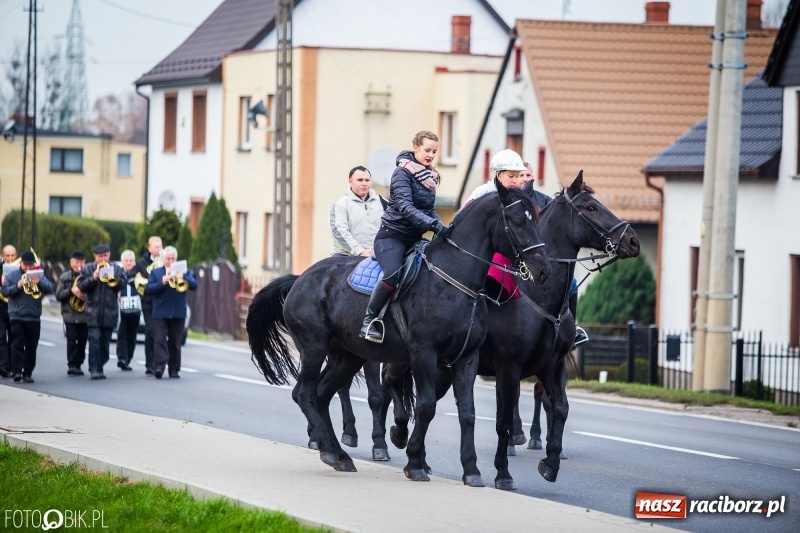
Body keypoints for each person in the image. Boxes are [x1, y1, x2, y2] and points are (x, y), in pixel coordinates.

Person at [360, 130, 446, 343]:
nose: (430, 155)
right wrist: (433, 225)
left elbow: (428, 208)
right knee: (392, 274)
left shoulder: (430, 176)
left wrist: (444, 227)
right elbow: (406, 207)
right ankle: (369, 321)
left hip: (415, 238)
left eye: (434, 152)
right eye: (427, 150)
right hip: (392, 237)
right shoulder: (402, 173)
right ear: (415, 147)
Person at [146, 246, 197, 379]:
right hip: (161, 312)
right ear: (163, 259)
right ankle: (159, 367)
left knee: (175, 342)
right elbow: (149, 289)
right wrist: (162, 281)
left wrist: (184, 277)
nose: (170, 261)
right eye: (168, 258)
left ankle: (174, 369)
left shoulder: (184, 271)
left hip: (178, 312)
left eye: (173, 258)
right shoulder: (156, 272)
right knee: (160, 340)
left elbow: (194, 285)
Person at [1, 250, 52, 383]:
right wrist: (18, 286)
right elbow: (5, 291)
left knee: (31, 347)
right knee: (17, 343)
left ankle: (27, 373)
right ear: (21, 263)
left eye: (30, 265)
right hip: (16, 316)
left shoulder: (38, 275)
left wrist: (39, 282)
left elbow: (50, 288)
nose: (28, 268)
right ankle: (17, 371)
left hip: (34, 316)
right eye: (25, 265)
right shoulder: (12, 275)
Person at [78, 244, 125, 380]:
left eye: (105, 255)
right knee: (94, 340)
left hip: (109, 312)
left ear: (109, 255)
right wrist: (93, 278)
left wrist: (114, 280)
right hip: (93, 311)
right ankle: (94, 369)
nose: (103, 258)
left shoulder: (116, 268)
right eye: (100, 256)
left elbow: (123, 283)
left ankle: (99, 365)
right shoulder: (88, 269)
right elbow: (81, 286)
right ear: (95, 256)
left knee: (105, 344)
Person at [330, 166, 384, 257]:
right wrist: (360, 251)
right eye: (360, 180)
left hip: (375, 255)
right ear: (350, 182)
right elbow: (339, 231)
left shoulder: (382, 202)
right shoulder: (341, 204)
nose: (364, 183)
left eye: (367, 180)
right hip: (345, 256)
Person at [55, 251, 88, 376]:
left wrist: (84, 294)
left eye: (81, 262)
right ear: (71, 262)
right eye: (76, 262)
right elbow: (58, 295)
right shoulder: (64, 277)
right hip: (69, 314)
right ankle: (72, 365)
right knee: (71, 341)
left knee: (82, 341)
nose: (78, 265)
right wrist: (71, 291)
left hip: (84, 315)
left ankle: (79, 364)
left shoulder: (87, 276)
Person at [133, 236, 162, 375]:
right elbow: (132, 277)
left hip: (162, 301)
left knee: (160, 334)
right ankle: (149, 364)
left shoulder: (165, 262)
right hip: (148, 301)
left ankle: (158, 364)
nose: (158, 249)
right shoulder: (141, 263)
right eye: (156, 247)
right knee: (150, 331)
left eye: (160, 246)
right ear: (149, 248)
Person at [116, 250, 142, 371]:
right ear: (122, 262)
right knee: (122, 335)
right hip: (122, 309)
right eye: (126, 260)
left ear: (134, 262)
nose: (128, 263)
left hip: (135, 309)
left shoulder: (139, 274)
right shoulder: (118, 274)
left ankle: (128, 359)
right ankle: (122, 358)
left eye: (131, 260)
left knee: (132, 336)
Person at [0, 244, 18, 378]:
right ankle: (3, 366)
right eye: (7, 255)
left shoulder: (20, 269)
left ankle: (13, 367)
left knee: (14, 338)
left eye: (13, 255)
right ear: (2, 256)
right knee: (1, 338)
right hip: (1, 308)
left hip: (14, 309)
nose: (10, 258)